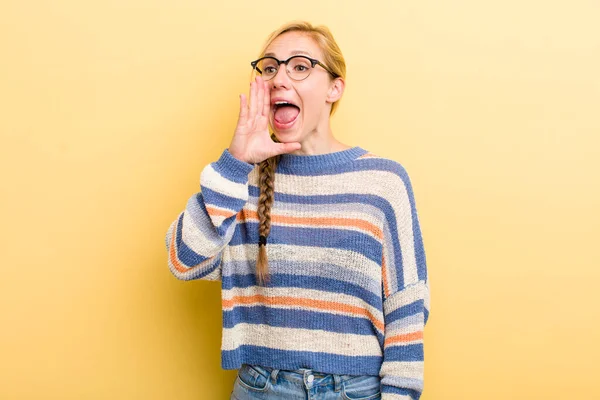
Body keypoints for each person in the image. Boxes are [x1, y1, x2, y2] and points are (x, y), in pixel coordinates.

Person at [165, 20, 431, 400]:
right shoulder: (240, 180)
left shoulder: (383, 182)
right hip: (261, 388)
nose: (278, 78)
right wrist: (235, 161)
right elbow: (183, 261)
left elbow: (407, 307)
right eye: (270, 67)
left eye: (300, 67)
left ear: (334, 88)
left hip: (356, 391)